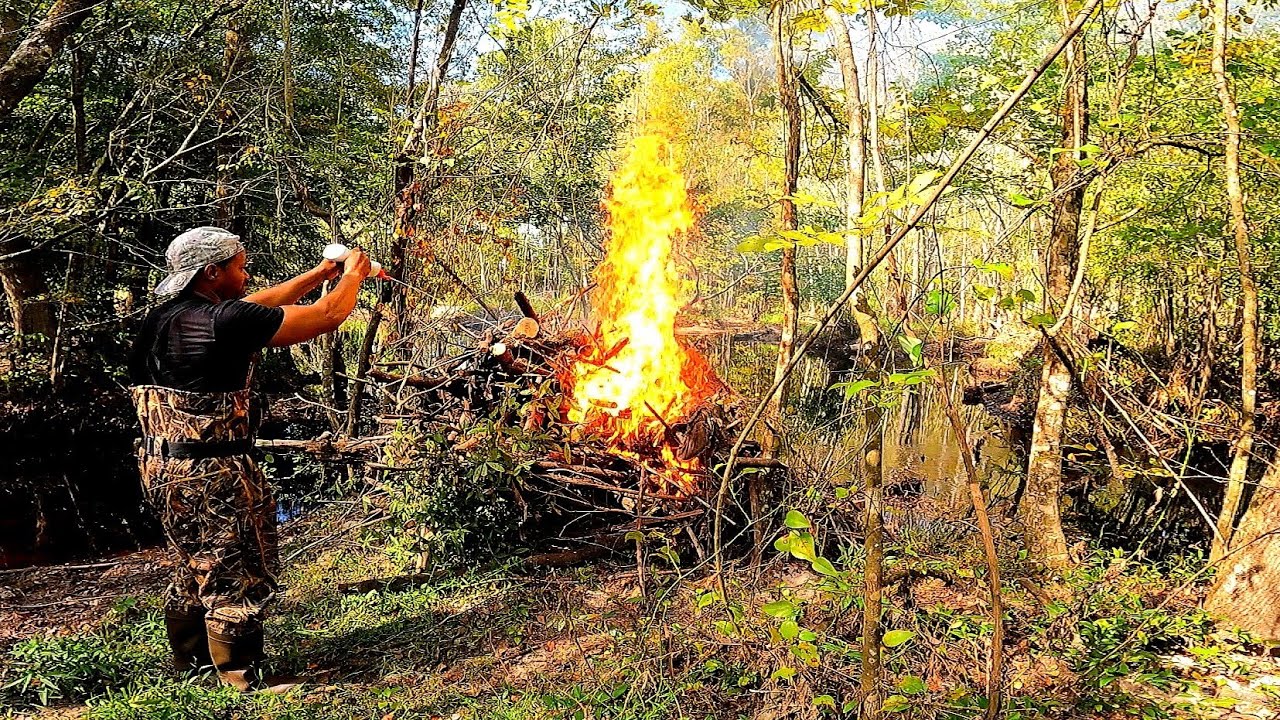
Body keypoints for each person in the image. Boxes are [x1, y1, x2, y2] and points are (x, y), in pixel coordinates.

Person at [128, 226, 372, 691]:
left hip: (161, 467)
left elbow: (254, 306)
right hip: (213, 469)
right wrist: (353, 274)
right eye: (239, 267)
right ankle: (240, 677)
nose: (245, 275)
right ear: (212, 271)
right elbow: (326, 314)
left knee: (192, 564)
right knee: (237, 564)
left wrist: (319, 272)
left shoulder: (165, 317)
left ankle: (193, 665)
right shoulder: (224, 321)